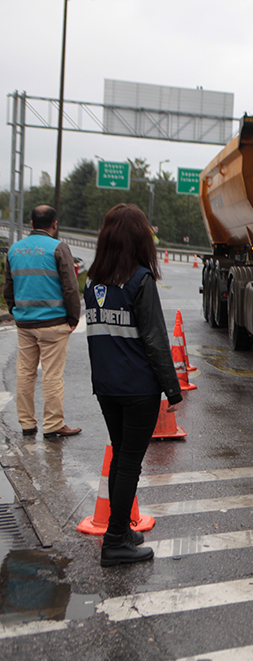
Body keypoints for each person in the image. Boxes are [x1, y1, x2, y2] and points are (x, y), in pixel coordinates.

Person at [84, 203, 182, 567]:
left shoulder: (93, 283)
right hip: (137, 388)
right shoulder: (140, 280)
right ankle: (115, 542)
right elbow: (156, 341)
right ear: (140, 239)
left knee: (121, 456)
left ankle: (121, 530)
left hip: (106, 387)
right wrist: (172, 390)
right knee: (128, 464)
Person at [3, 205, 82, 439]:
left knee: (25, 374)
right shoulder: (58, 248)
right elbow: (70, 286)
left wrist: (15, 311)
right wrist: (73, 317)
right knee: (52, 375)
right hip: (54, 324)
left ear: (31, 223)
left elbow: (8, 287)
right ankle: (53, 424)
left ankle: (27, 424)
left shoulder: (15, 250)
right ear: (55, 224)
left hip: (25, 324)